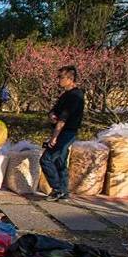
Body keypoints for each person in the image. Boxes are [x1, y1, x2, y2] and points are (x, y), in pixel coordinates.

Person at [41, 65, 84, 202]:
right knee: (60, 161)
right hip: (61, 131)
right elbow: (55, 111)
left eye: (61, 77)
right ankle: (64, 192)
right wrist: (52, 115)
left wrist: (54, 137)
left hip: (66, 133)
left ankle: (57, 189)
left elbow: (64, 118)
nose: (58, 80)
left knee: (46, 159)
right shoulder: (65, 95)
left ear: (70, 79)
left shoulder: (75, 96)